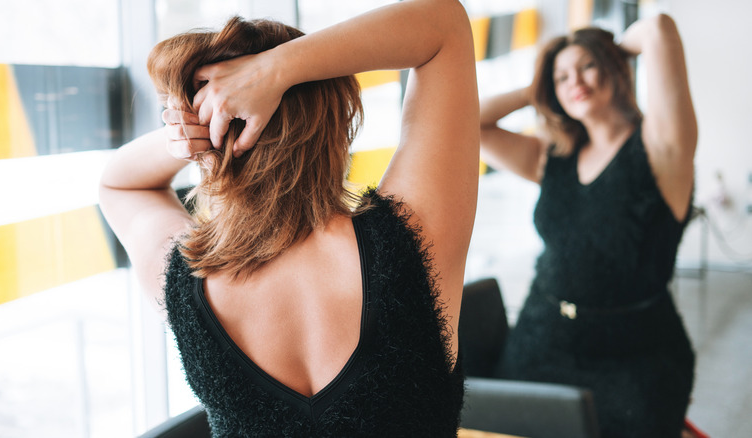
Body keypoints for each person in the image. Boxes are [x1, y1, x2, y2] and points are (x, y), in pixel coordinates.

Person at [99, 0, 479, 436]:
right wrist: (277, 71)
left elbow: (119, 184)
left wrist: (187, 134)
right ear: (336, 121)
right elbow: (443, 25)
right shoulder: (411, 241)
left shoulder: (187, 283)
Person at [478, 14, 697, 438]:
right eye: (561, 77)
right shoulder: (553, 158)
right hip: (541, 338)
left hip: (635, 355)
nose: (574, 81)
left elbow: (658, 29)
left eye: (587, 66)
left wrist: (612, 50)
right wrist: (538, 87)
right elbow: (471, 121)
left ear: (614, 68)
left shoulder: (661, 149)